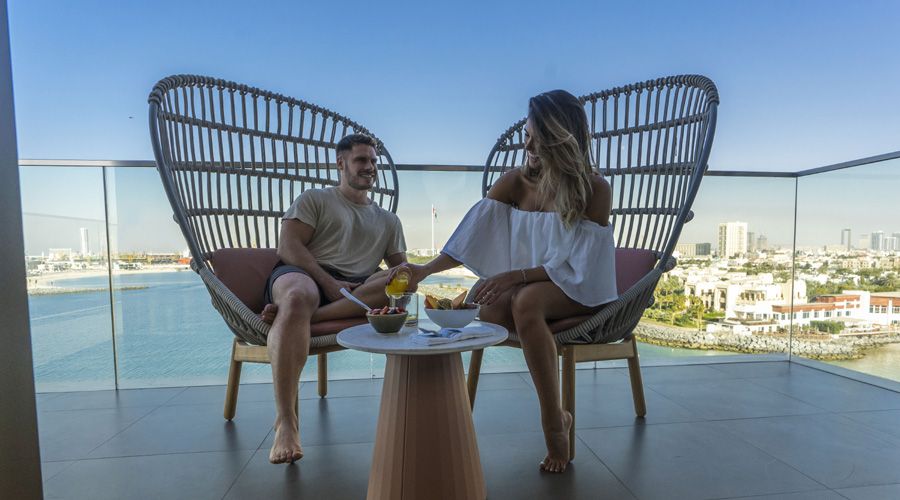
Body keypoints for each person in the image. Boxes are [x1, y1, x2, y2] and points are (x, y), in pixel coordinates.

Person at [394, 90, 617, 473]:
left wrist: (516, 277)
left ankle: (554, 422)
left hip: (580, 288)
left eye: (535, 135)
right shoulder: (516, 182)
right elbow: (471, 236)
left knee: (525, 303)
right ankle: (436, 404)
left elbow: (580, 265)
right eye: (526, 133)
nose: (526, 142)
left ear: (561, 136)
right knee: (481, 302)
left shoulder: (594, 190)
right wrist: (424, 270)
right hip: (531, 287)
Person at [260, 133, 407, 464]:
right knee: (298, 296)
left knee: (393, 279)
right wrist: (327, 282)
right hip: (304, 274)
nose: (369, 167)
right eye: (361, 160)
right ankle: (286, 421)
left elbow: (402, 272)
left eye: (373, 161)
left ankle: (290, 318)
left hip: (355, 290)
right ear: (341, 164)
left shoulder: (388, 221)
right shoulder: (315, 199)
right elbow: (289, 247)